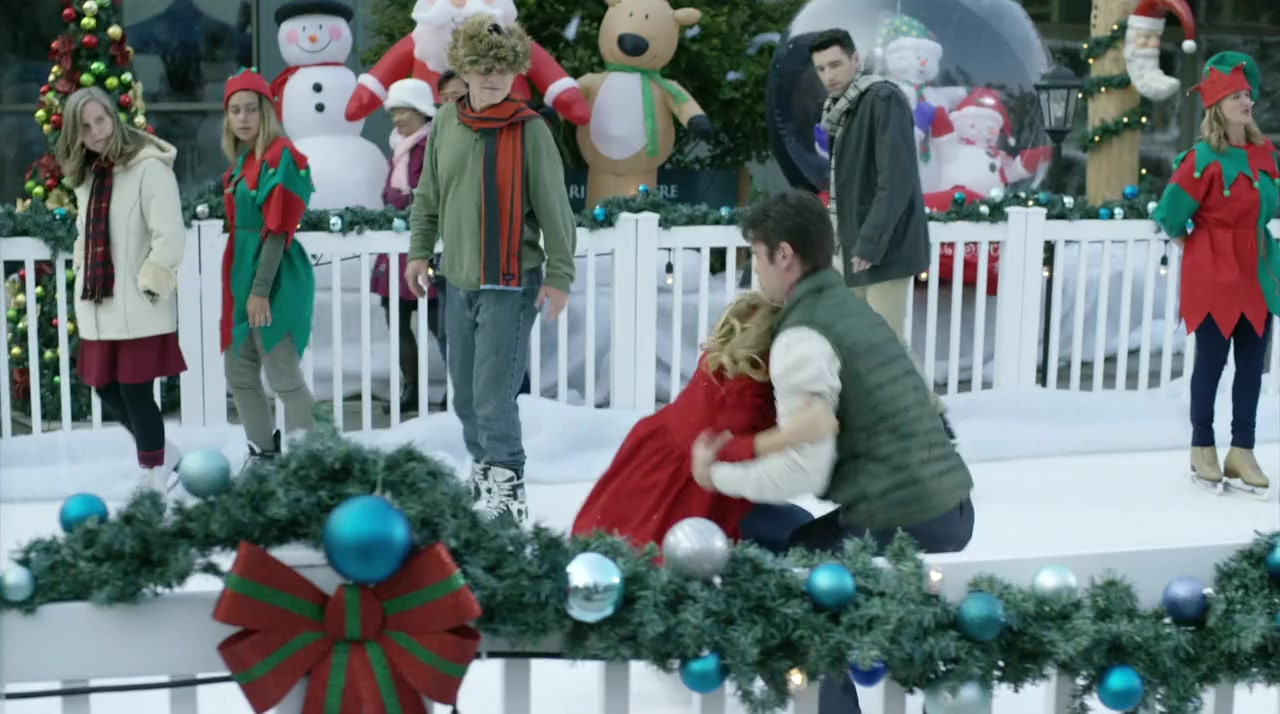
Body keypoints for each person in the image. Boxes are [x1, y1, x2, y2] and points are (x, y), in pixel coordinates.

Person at [692, 190, 975, 714]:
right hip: (953, 505)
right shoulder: (854, 310)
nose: (754, 272)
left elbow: (804, 469)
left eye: (756, 256)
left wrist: (718, 477)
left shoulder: (802, 336)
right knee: (810, 545)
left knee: (804, 581)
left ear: (784, 255)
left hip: (906, 513)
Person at [404, 15, 576, 524]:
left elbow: (556, 211)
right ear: (465, 70)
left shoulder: (530, 130)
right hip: (457, 279)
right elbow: (428, 196)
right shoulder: (446, 124)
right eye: (483, 68)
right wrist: (418, 252)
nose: (494, 78)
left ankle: (509, 489)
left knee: (493, 397)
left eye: (503, 68)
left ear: (515, 71)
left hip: (510, 281)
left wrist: (560, 275)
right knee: (464, 395)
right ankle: (483, 472)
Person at [571, 292, 833, 550]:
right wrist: (790, 435)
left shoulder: (738, 363)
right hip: (684, 495)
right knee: (799, 534)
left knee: (800, 524)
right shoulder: (744, 395)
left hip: (672, 472)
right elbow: (719, 451)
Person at [1152, 51, 1280, 496]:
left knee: (1252, 366)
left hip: (1258, 272)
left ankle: (1242, 450)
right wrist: (1196, 248)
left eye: (1247, 95)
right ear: (1217, 107)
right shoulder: (1201, 159)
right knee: (1211, 363)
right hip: (1214, 274)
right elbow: (1170, 215)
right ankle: (1202, 445)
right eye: (1236, 97)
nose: (1246, 102)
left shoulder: (1265, 155)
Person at [55, 86, 188, 494]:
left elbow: (170, 234)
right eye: (86, 126)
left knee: (134, 389)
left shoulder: (149, 169)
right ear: (76, 134)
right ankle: (165, 453)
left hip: (138, 301)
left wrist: (150, 283)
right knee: (104, 387)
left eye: (101, 120)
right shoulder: (89, 177)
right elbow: (86, 236)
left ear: (114, 117)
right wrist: (82, 272)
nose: (97, 131)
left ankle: (154, 470)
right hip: (100, 302)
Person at [220, 67, 318, 466]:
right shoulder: (242, 161)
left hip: (274, 275)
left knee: (283, 375)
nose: (243, 118)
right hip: (242, 272)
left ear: (266, 112)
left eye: (251, 109)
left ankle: (316, 462)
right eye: (235, 110)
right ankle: (263, 456)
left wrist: (260, 290)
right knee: (240, 372)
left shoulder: (282, 157)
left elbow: (277, 229)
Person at [811, 28, 929, 342]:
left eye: (835, 65)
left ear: (856, 59)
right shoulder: (843, 109)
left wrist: (870, 242)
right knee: (862, 346)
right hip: (854, 245)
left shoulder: (882, 99)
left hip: (884, 249)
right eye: (821, 69)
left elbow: (897, 178)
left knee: (884, 347)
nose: (828, 76)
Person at [371, 78, 441, 412]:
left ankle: (458, 387)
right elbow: (391, 193)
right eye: (393, 112)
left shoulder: (433, 145)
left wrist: (402, 200)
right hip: (396, 246)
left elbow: (427, 192)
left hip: (426, 244)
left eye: (402, 111)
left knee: (438, 321)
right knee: (396, 319)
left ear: (421, 110)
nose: (397, 119)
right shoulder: (399, 146)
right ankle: (411, 387)